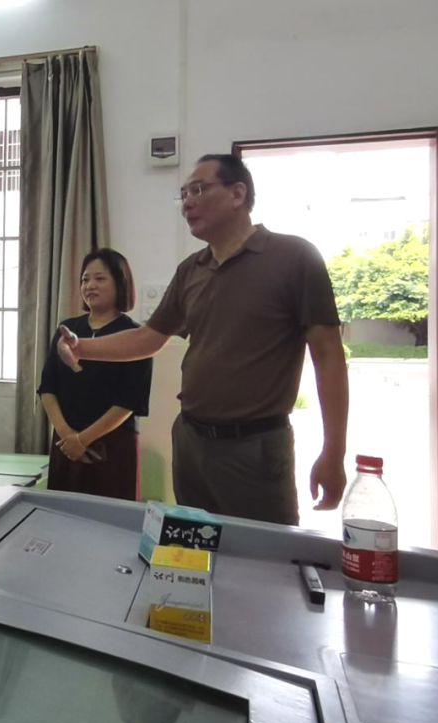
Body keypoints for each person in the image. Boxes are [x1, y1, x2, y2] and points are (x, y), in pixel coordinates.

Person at [56, 153, 349, 526]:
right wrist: (82, 347)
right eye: (183, 194)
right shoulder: (191, 270)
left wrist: (333, 452)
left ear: (237, 194)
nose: (187, 203)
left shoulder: (294, 257)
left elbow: (329, 358)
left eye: (198, 189)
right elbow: (148, 338)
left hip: (255, 447)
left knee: (259, 553)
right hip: (191, 439)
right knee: (193, 548)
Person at [37, 248, 152, 500]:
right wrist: (67, 434)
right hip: (65, 443)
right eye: (85, 279)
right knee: (62, 513)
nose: (90, 286)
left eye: (100, 278)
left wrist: (83, 440)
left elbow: (129, 401)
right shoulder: (67, 330)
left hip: (111, 446)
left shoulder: (136, 336)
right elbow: (47, 387)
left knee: (110, 517)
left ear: (120, 283)